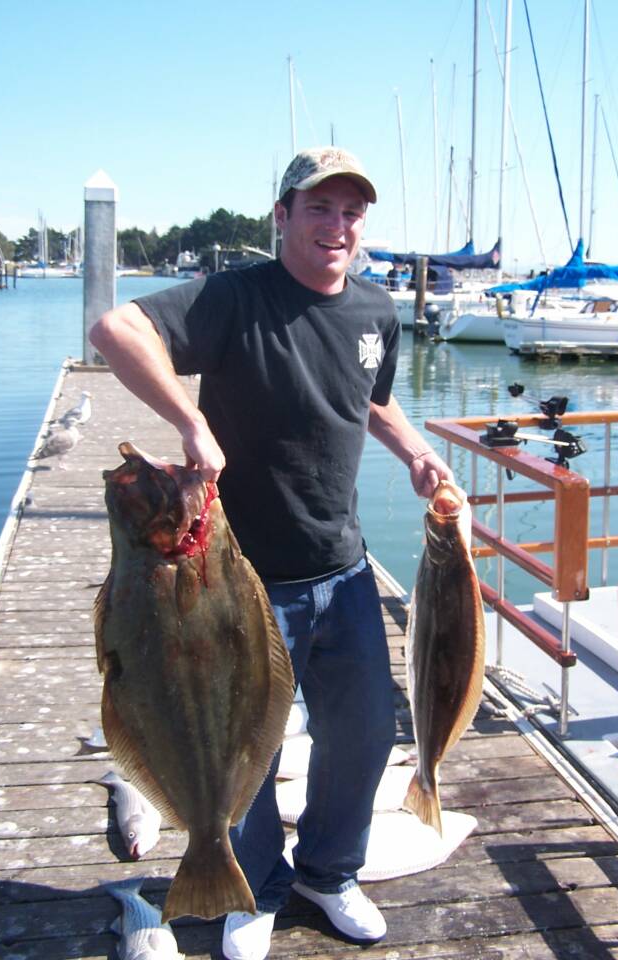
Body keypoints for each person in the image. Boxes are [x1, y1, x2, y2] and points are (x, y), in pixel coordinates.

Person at [89, 146, 454, 960]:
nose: (336, 226)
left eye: (351, 212)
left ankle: (330, 872)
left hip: (347, 568)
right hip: (241, 585)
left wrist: (415, 450)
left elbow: (372, 399)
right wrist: (191, 422)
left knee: (363, 732)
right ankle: (248, 883)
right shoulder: (233, 298)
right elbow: (114, 329)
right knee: (242, 739)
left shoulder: (375, 311)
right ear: (282, 215)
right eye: (318, 208)